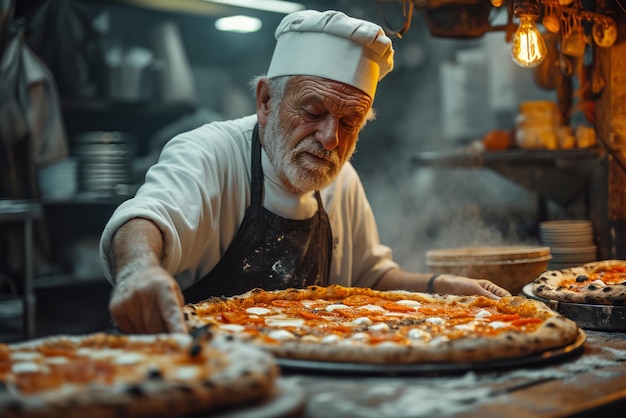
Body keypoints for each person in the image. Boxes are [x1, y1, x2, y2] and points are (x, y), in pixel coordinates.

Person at [100, 9, 510, 334]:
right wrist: (139, 269)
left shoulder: (340, 178)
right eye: (313, 112)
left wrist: (440, 287)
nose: (331, 138)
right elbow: (146, 217)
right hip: (198, 371)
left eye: (351, 122)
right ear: (265, 101)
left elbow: (371, 275)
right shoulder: (209, 153)